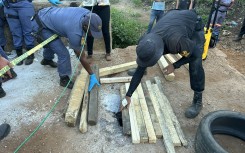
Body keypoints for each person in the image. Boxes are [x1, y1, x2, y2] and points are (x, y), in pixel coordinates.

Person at [123, 10, 205, 119]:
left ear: (160, 51)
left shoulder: (176, 42)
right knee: (145, 59)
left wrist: (174, 65)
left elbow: (196, 54)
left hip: (193, 25)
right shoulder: (147, 39)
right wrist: (128, 95)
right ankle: (144, 69)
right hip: (173, 19)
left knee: (195, 63)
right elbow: (146, 57)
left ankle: (198, 100)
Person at [31, 7, 101, 90]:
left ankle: (47, 59)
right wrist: (91, 74)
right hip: (41, 25)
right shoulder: (75, 33)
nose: (92, 35)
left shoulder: (88, 14)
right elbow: (81, 56)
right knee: (63, 54)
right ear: (85, 26)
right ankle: (64, 79)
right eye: (91, 32)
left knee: (52, 44)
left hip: (46, 16)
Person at [0, 0, 62, 66]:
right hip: (9, 6)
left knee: (28, 31)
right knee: (15, 32)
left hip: (24, 4)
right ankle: (19, 55)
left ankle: (30, 55)